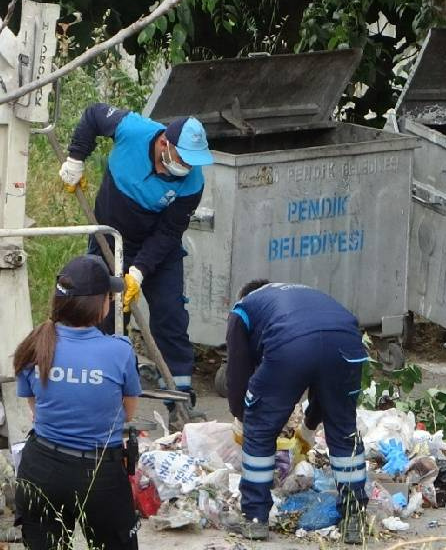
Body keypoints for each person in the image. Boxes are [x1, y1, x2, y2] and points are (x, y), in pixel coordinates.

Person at [61, 104, 213, 421]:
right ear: (163, 144)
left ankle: (179, 401)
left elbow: (170, 231)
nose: (188, 166)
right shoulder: (132, 129)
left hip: (159, 249)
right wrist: (76, 158)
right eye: (184, 158)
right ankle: (103, 397)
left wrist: (140, 270)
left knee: (170, 316)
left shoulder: (193, 183)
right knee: (107, 317)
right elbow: (91, 115)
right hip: (110, 239)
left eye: (193, 161)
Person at [225, 281, 370, 543]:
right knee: (344, 429)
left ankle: (255, 518)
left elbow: (237, 370)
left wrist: (242, 416)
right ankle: (354, 517)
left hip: (291, 346)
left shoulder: (244, 308)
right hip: (346, 341)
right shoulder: (302, 296)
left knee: (260, 428)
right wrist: (308, 428)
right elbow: (323, 381)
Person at [14, 255, 140, 550]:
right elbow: (127, 414)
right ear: (101, 305)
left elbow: (35, 409)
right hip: (99, 477)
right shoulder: (118, 352)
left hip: (40, 470)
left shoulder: (33, 345)